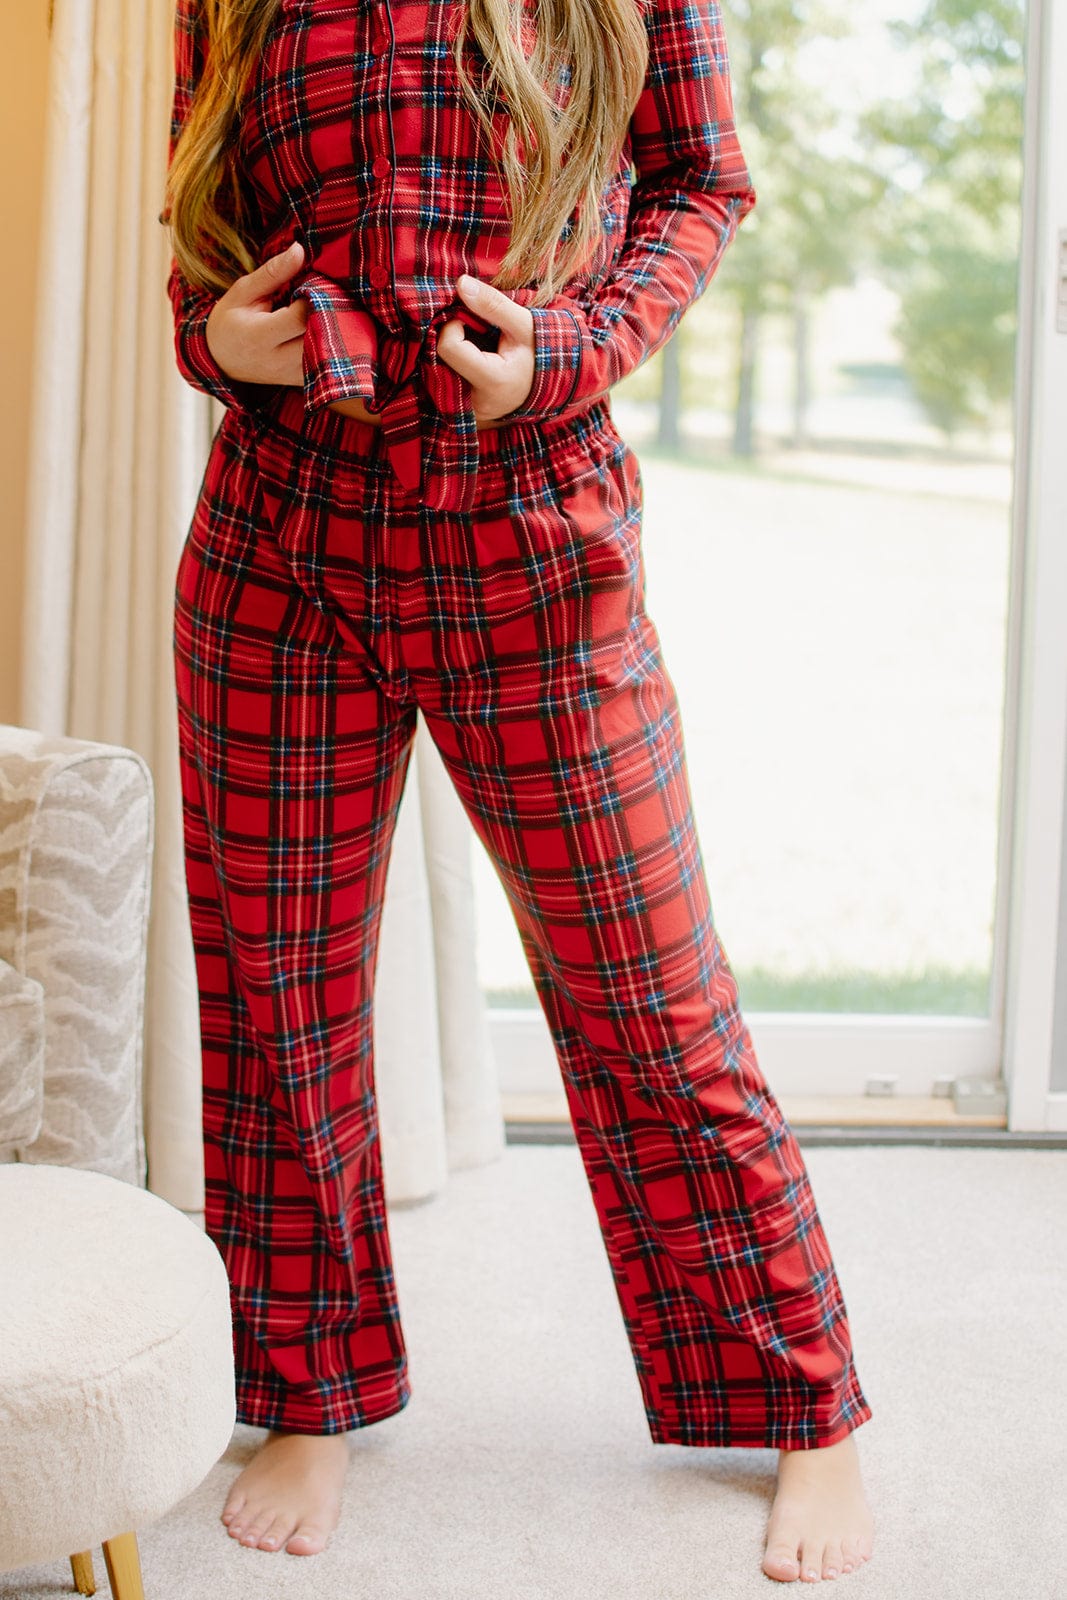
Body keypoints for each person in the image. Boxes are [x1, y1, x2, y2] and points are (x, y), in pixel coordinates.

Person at [160, 0, 876, 1582]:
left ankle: (802, 1403)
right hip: (278, 539)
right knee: (279, 998)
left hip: (536, 541)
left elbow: (702, 183)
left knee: (652, 995)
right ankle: (308, 1394)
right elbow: (198, 227)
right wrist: (212, 341)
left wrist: (574, 349)